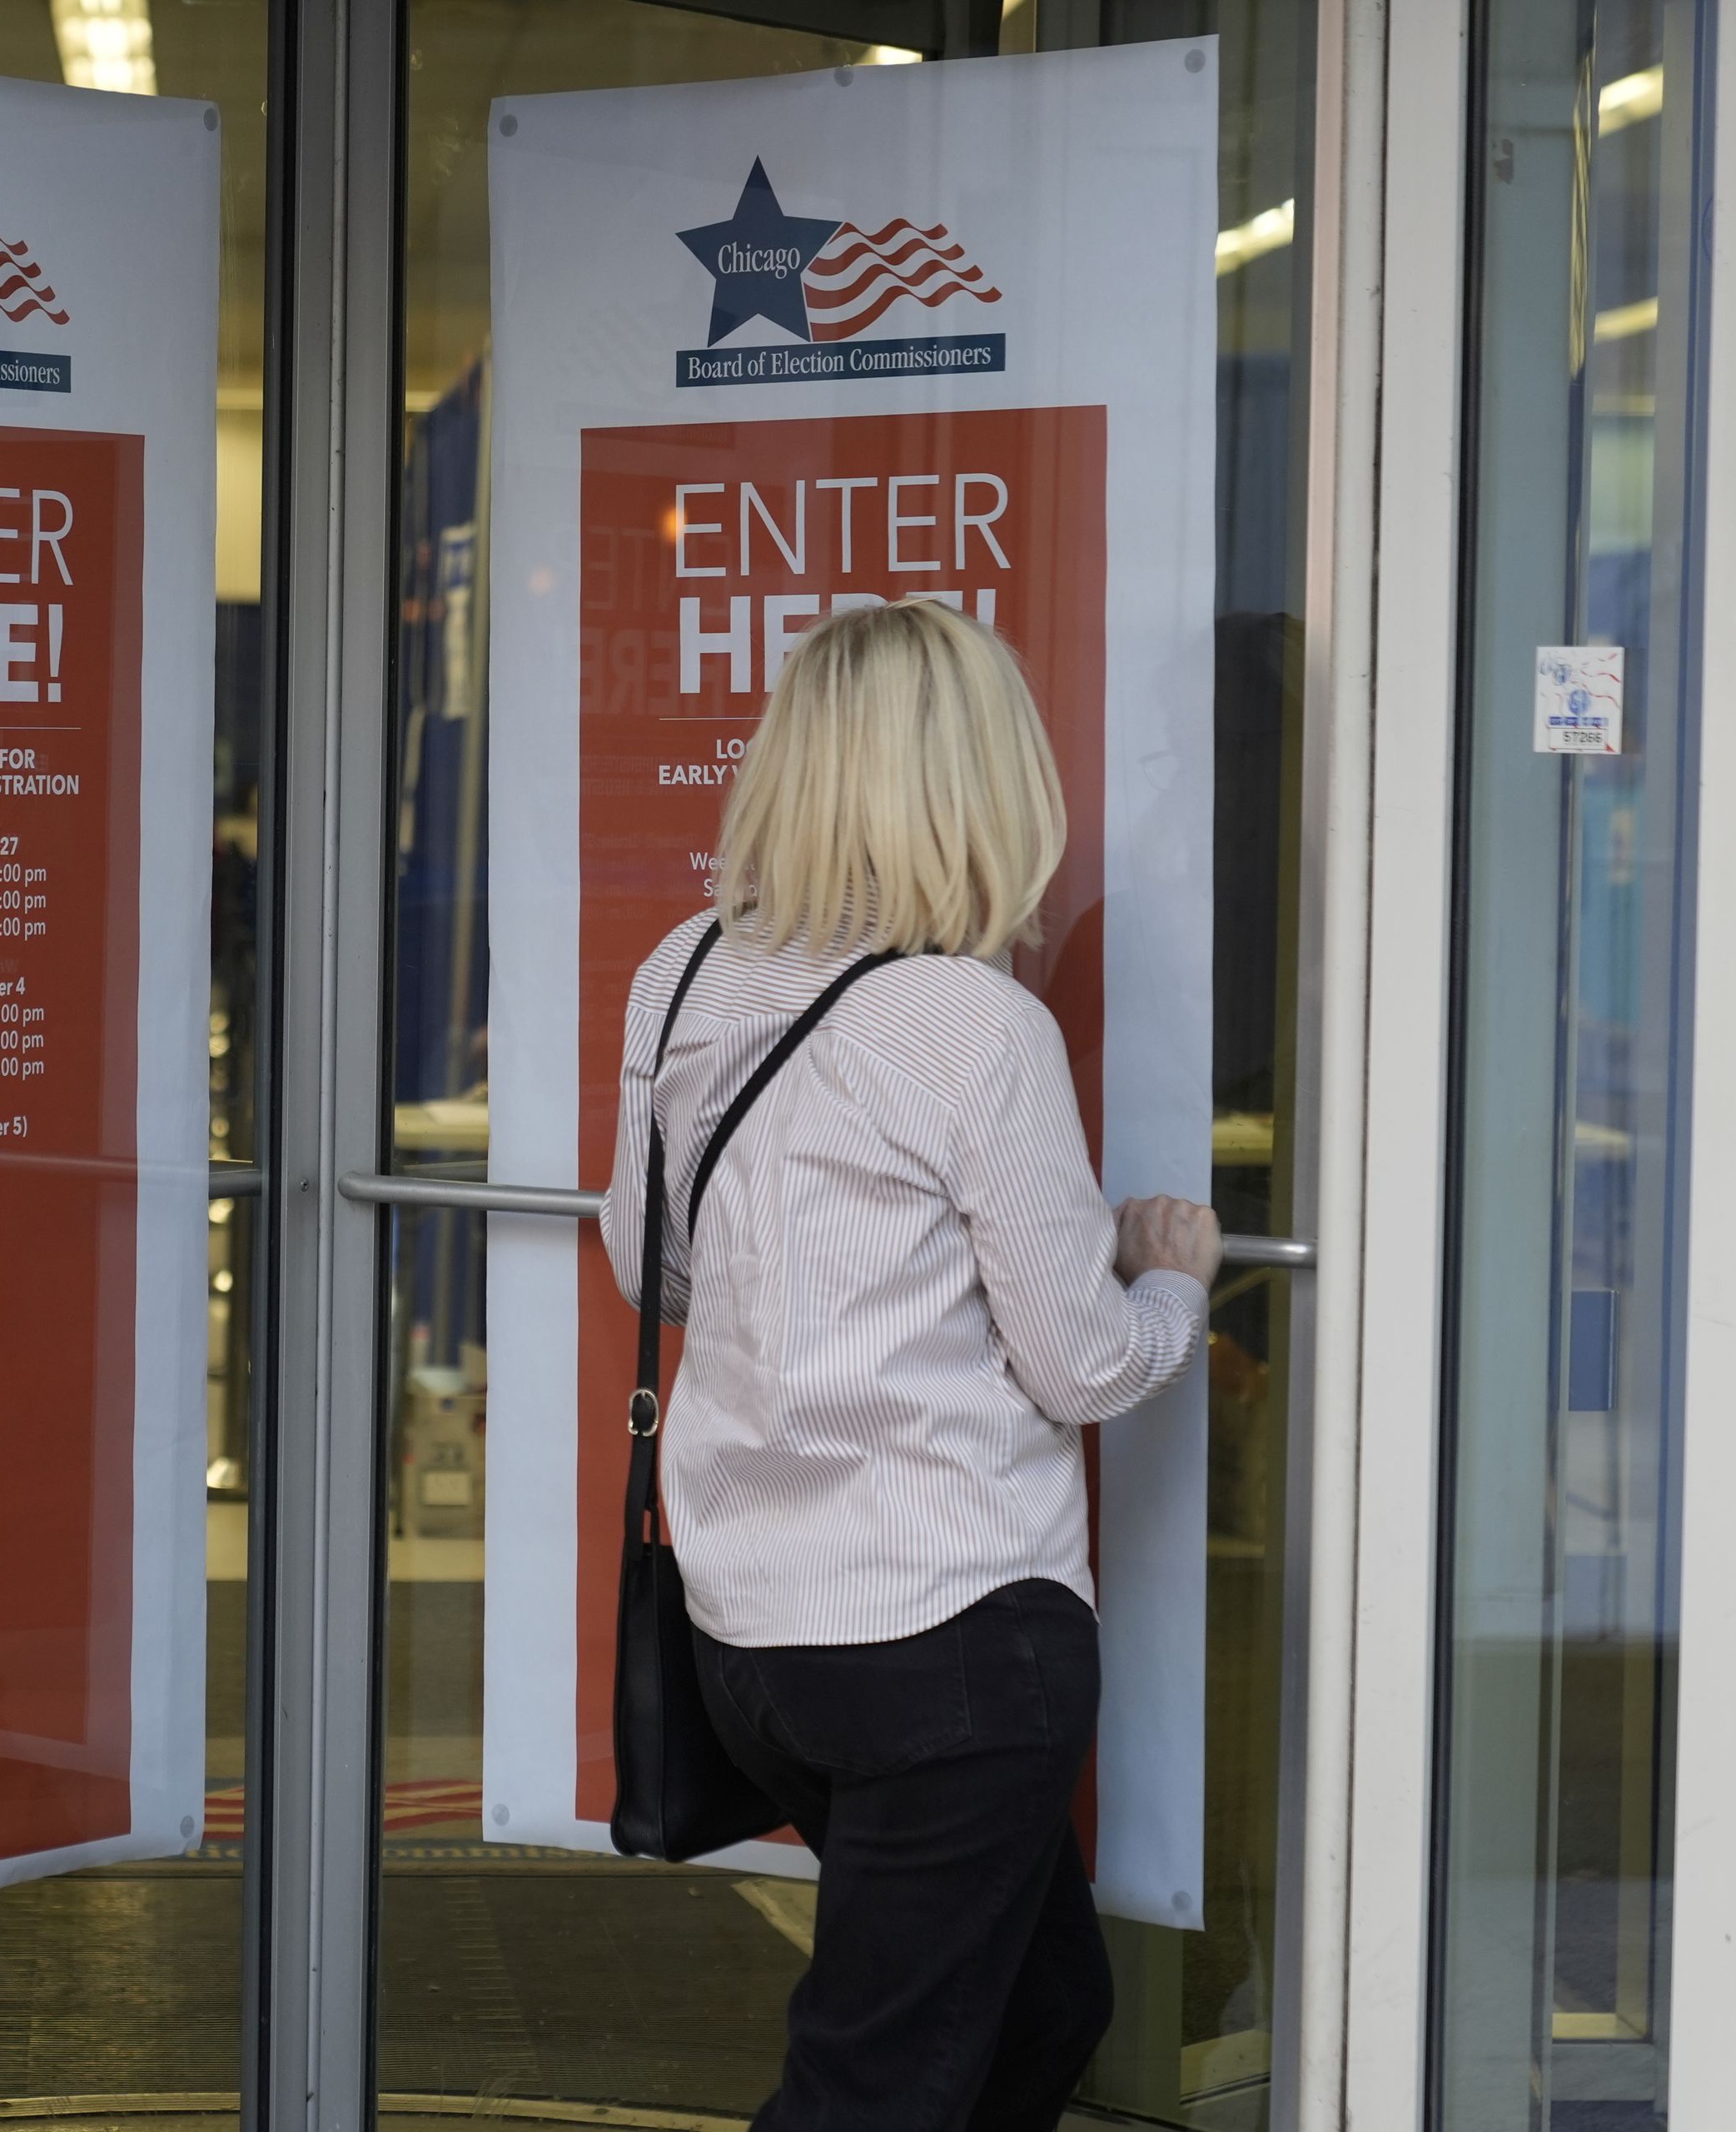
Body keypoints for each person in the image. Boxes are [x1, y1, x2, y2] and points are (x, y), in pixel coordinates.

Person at [599, 599, 1221, 2132]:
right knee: (872, 2089)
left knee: (1044, 2005)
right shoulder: (971, 1022)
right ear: (978, 784)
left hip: (753, 1645)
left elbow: (650, 1266)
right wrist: (1176, 1285)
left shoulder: (681, 973)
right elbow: (1080, 1366)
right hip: (949, 1655)